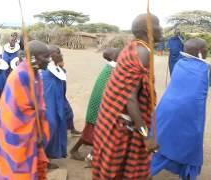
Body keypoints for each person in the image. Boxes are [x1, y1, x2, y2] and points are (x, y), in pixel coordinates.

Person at [92, 13, 162, 179]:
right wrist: (145, 135)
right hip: (123, 123)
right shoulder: (142, 53)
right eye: (158, 25)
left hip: (115, 118)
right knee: (120, 172)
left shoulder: (133, 47)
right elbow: (130, 98)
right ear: (148, 30)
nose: (162, 29)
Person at [0, 40, 50, 179]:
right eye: (45, 57)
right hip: (15, 131)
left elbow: (38, 105)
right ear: (34, 58)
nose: (49, 60)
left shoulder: (35, 74)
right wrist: (38, 124)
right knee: (14, 165)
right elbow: (20, 110)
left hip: (30, 130)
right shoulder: (21, 75)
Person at [151, 38, 209, 180]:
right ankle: (188, 174)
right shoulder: (206, 70)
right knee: (189, 144)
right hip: (188, 114)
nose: (207, 50)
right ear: (200, 53)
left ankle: (146, 171)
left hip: (165, 110)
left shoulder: (179, 64)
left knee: (162, 143)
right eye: (206, 48)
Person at [70, 48, 121, 161]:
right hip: (99, 107)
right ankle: (81, 153)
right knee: (94, 133)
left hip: (98, 106)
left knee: (94, 132)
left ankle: (91, 154)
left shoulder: (109, 68)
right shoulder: (113, 70)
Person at [42, 45, 68, 169]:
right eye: (55, 52)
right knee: (49, 126)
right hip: (48, 105)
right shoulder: (44, 71)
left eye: (59, 52)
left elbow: (63, 87)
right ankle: (41, 160)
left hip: (57, 103)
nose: (58, 53)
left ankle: (47, 156)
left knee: (56, 125)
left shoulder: (58, 69)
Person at [52, 45, 81, 136]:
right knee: (64, 114)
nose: (59, 55)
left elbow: (62, 68)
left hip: (62, 95)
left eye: (59, 53)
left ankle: (71, 129)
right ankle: (65, 131)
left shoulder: (60, 69)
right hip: (57, 97)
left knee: (68, 113)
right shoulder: (49, 70)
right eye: (57, 53)